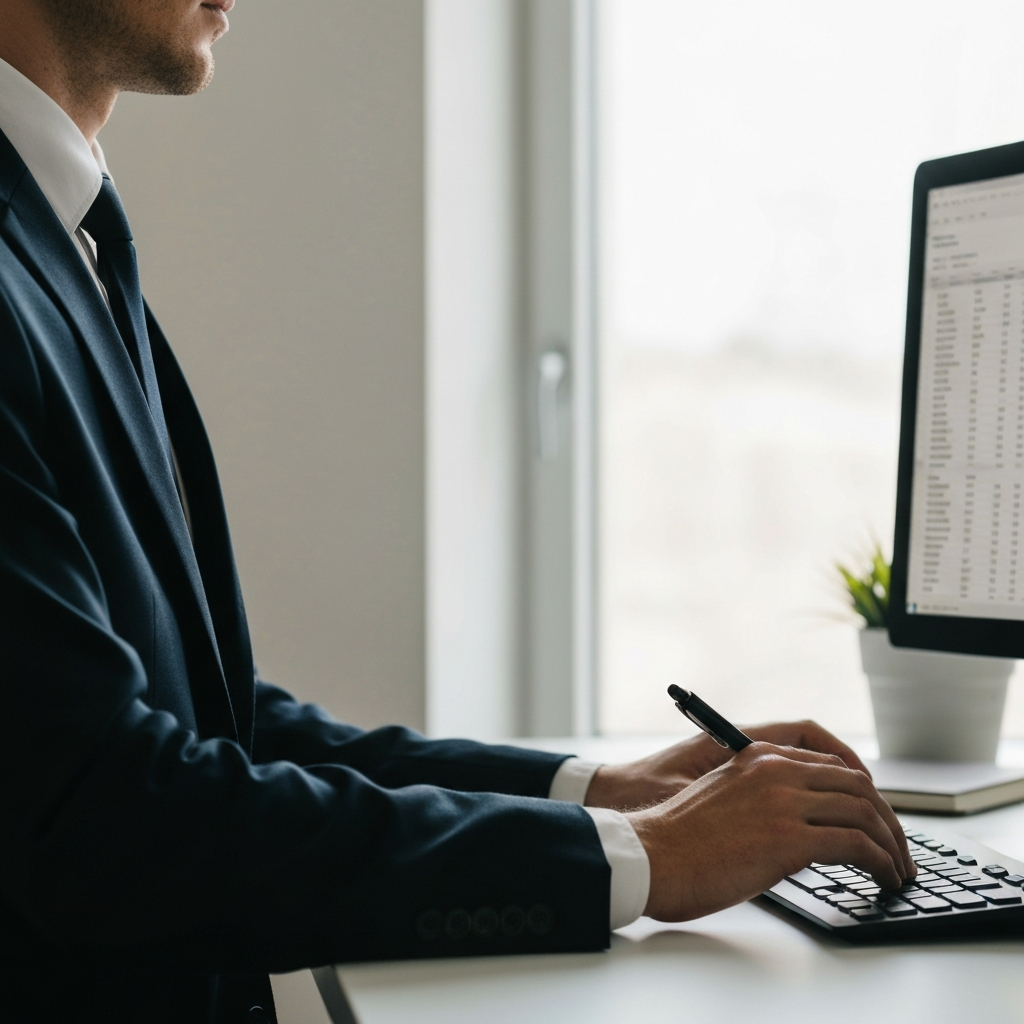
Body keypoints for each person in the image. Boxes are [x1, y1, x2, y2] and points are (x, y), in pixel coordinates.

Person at [0, 1, 913, 1021]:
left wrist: (600, 794)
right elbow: (99, 815)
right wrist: (646, 856)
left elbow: (220, 723)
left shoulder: (60, 233)